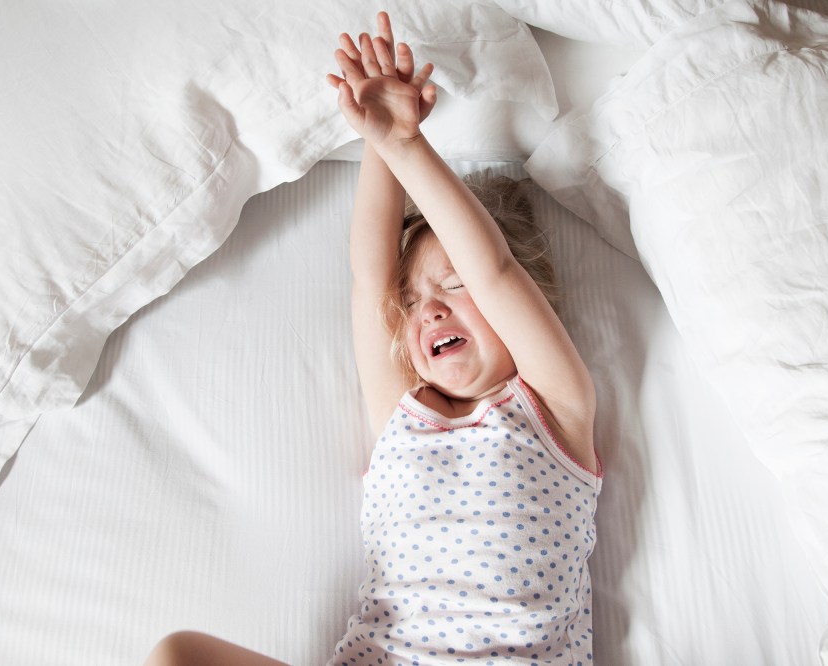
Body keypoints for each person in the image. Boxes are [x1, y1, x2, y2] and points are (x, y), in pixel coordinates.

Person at [145, 11, 601, 666]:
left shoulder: (557, 407)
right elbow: (369, 281)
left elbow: (495, 270)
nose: (430, 311)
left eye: (452, 286)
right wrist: (380, 141)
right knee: (176, 655)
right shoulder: (403, 421)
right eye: (414, 302)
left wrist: (411, 146)